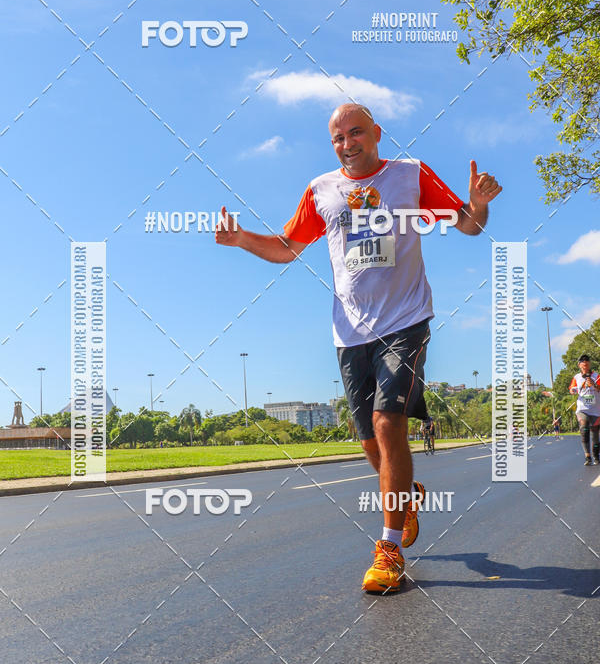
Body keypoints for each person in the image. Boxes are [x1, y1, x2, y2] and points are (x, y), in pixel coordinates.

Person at [216, 103, 502, 592]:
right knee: (370, 442)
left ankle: (389, 548)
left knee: (387, 421)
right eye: (338, 138)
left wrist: (477, 204)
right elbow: (286, 248)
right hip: (350, 332)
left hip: (405, 321)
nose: (348, 143)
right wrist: (241, 238)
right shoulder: (320, 190)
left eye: (356, 133)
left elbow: (469, 226)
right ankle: (406, 496)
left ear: (376, 134)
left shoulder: (411, 176)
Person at [569, 354, 600, 465]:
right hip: (582, 408)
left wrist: (594, 384)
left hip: (596, 410)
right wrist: (574, 390)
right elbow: (572, 390)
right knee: (584, 427)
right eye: (582, 361)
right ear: (579, 365)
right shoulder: (576, 377)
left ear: (590, 363)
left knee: (595, 434)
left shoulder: (597, 376)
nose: (585, 363)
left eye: (587, 361)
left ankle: (596, 456)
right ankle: (588, 456)